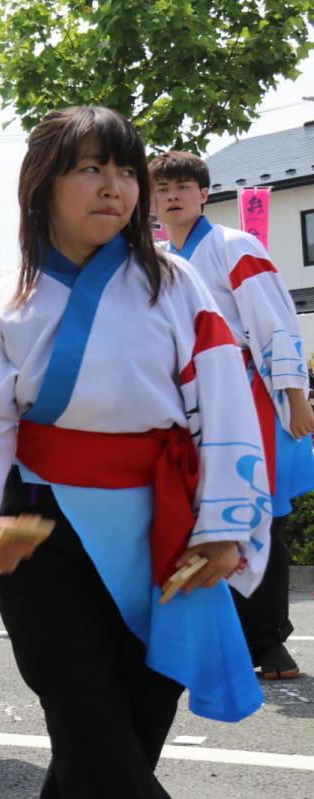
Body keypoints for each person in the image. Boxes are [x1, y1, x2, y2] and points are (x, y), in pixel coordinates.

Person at [0, 106, 268, 798]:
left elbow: (224, 401)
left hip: (164, 525)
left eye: (126, 170)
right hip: (40, 523)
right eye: (91, 168)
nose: (115, 186)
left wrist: (224, 525)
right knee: (85, 713)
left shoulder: (173, 281)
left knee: (134, 716)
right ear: (43, 183)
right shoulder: (4, 300)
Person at [151, 149, 314, 680]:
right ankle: (222, 639)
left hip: (243, 394)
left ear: (204, 193)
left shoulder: (234, 245)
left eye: (182, 186)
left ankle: (268, 642)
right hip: (184, 404)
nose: (171, 196)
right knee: (199, 516)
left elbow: (274, 321)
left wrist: (295, 395)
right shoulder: (151, 258)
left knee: (258, 512)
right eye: (162, 189)